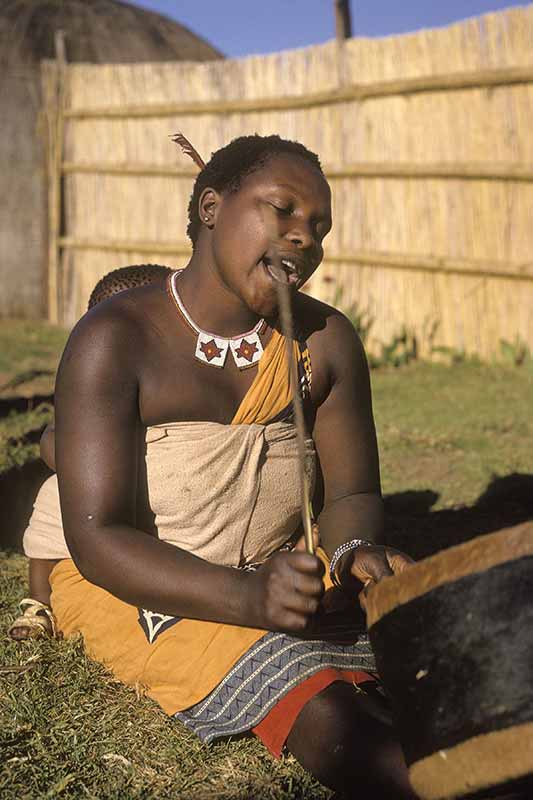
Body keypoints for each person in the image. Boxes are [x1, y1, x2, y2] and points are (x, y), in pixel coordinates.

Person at [18, 135, 416, 797]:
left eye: (317, 227)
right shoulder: (117, 340)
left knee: (426, 648)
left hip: (273, 566)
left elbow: (353, 491)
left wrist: (347, 550)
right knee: (312, 697)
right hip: (135, 577)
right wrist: (246, 598)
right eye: (280, 210)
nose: (302, 239)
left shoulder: (325, 341)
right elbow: (98, 536)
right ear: (211, 206)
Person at [8, 264, 172, 638]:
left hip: (163, 483)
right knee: (51, 503)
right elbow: (57, 432)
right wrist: (70, 462)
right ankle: (40, 601)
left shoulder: (177, 373)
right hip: (100, 482)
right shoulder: (93, 373)